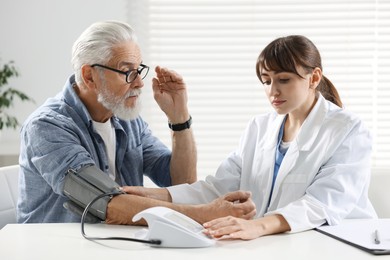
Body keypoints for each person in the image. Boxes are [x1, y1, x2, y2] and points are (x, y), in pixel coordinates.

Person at [119, 35, 377, 239]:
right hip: (279, 244)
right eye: (266, 81)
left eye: (284, 80)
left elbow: (321, 205)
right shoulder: (259, 127)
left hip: (338, 245)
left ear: (314, 78)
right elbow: (218, 188)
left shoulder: (348, 130)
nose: (273, 91)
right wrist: (151, 195)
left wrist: (257, 227)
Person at [17, 21, 255, 224]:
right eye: (127, 71)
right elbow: (103, 201)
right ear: (90, 76)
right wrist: (204, 214)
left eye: (138, 70)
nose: (140, 83)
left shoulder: (127, 120)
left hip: (115, 243)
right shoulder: (47, 126)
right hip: (54, 248)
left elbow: (180, 182)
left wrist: (179, 118)